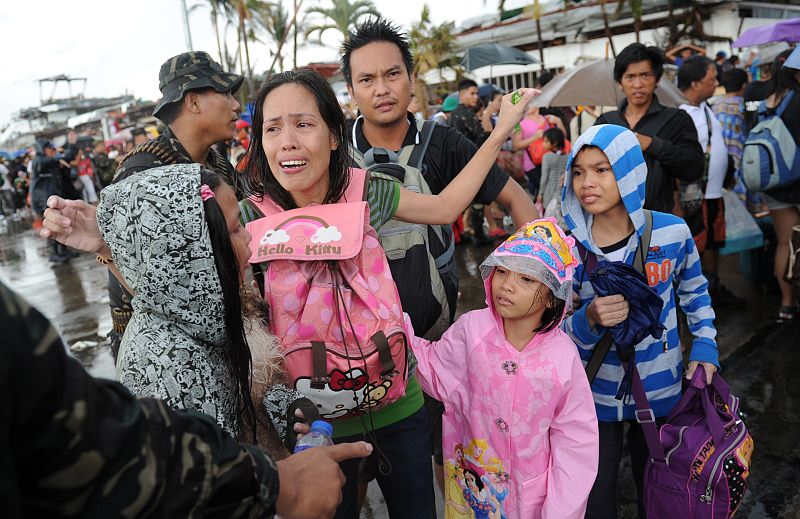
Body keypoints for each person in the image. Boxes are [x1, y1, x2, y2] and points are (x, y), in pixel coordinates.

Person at [237, 68, 536, 519]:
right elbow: (178, 283)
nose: (288, 141)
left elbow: (446, 207)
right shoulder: (247, 218)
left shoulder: (368, 192)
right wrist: (105, 248)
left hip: (399, 407)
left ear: (335, 135)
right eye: (272, 128)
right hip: (312, 431)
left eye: (303, 124)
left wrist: (499, 134)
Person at [340, 18, 539, 504]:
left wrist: (529, 295)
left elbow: (518, 201)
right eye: (366, 80)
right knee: (349, 473)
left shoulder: (444, 142)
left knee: (436, 455)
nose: (382, 90)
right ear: (351, 90)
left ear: (412, 79)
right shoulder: (333, 149)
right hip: (352, 350)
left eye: (392, 75)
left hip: (433, 342)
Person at [0, 277, 372, 519]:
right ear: (193, 244)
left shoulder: (222, 316)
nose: (246, 238)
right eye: (233, 228)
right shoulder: (168, 354)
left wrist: (286, 407)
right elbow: (127, 457)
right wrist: (277, 484)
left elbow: (252, 386)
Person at [561, 124, 719, 518]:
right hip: (592, 395)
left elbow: (695, 293)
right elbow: (552, 327)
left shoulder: (672, 231)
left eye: (602, 169)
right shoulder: (567, 245)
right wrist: (588, 319)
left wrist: (705, 344)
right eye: (578, 172)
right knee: (596, 497)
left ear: (630, 171)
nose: (587, 183)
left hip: (661, 386)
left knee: (662, 491)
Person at [409, 218, 599, 518]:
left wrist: (562, 511)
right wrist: (394, 326)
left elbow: (575, 442)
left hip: (532, 500)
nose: (507, 285)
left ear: (552, 296)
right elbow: (434, 368)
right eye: (502, 271)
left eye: (527, 279)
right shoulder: (472, 330)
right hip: (473, 488)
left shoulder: (562, 358)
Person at [105, 50, 243, 360]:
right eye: (225, 93)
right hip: (162, 349)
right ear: (193, 102)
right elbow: (139, 276)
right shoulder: (144, 173)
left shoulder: (216, 164)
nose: (236, 105)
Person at [595, 43, 705, 214]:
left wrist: (653, 145)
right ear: (619, 82)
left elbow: (694, 167)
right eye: (630, 77)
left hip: (660, 221)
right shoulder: (606, 123)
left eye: (645, 75)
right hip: (613, 220)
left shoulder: (677, 119)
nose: (638, 84)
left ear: (657, 79)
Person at [678, 55, 746, 307]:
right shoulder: (683, 115)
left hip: (713, 192)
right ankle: (699, 297)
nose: (716, 82)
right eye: (711, 79)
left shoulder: (705, 108)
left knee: (714, 243)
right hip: (699, 196)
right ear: (695, 83)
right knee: (700, 246)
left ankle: (713, 288)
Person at [751, 50, 800, 320]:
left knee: (784, 243)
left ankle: (786, 304)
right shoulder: (797, 100)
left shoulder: (765, 102)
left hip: (774, 182)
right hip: (797, 180)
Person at [30, 140, 75, 263]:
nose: (52, 151)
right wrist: (59, 157)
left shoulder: (51, 162)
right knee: (52, 225)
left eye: (52, 148)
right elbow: (48, 161)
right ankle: (54, 253)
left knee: (61, 224)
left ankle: (63, 250)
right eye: (49, 148)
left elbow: (67, 163)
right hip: (43, 199)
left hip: (52, 197)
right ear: (42, 149)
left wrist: (71, 146)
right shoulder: (38, 160)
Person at [713, 68, 749, 192]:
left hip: (719, 160)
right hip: (741, 157)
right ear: (743, 85)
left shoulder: (716, 105)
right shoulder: (743, 105)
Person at [450, 79, 494, 146]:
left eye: (477, 93)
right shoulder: (465, 113)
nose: (476, 97)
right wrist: (487, 114)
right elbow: (484, 139)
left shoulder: (455, 112)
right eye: (472, 93)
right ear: (461, 94)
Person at [537, 127, 570, 215]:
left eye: (546, 141)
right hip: (562, 193)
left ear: (554, 143)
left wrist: (540, 194)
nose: (543, 144)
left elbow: (544, 177)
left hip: (549, 192)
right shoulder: (568, 157)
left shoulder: (547, 157)